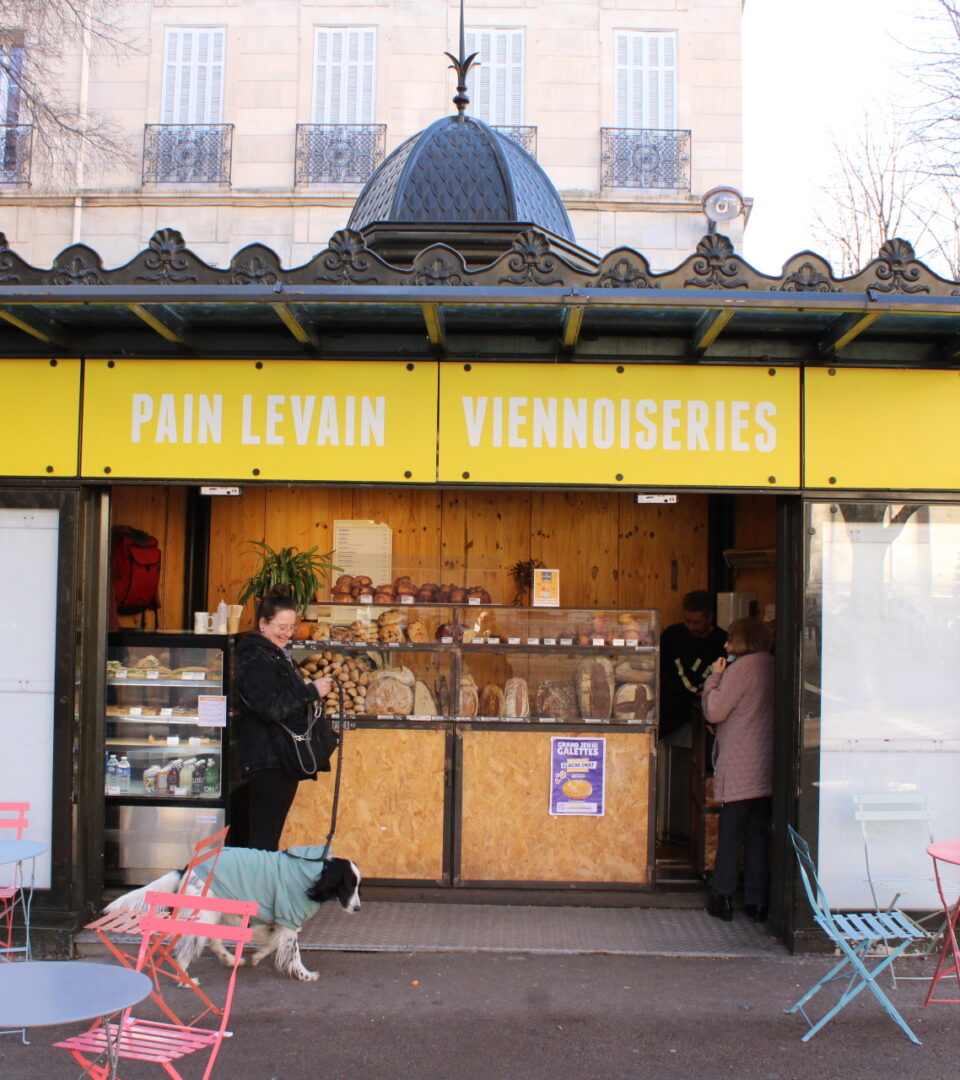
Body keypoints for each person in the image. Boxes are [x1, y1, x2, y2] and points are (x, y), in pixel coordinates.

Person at [234, 588, 334, 851]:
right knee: (263, 841)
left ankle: (255, 889)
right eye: (281, 627)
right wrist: (311, 691)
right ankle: (255, 891)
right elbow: (269, 707)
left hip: (277, 756)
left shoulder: (272, 654)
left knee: (264, 837)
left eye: (291, 627)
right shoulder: (256, 658)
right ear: (263, 624)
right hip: (267, 759)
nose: (287, 633)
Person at [700, 616, 775, 923]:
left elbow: (715, 710)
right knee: (759, 834)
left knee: (730, 834)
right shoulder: (773, 664)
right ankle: (758, 902)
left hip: (741, 763)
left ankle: (723, 898)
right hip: (768, 764)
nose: (725, 645)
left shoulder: (740, 669)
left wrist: (713, 678)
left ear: (742, 641)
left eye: (730, 640)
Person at [659, 590, 727, 741]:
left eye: (697, 623)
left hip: (705, 709)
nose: (691, 627)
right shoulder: (672, 635)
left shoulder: (722, 641)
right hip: (671, 707)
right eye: (687, 621)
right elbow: (658, 669)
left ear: (710, 617)